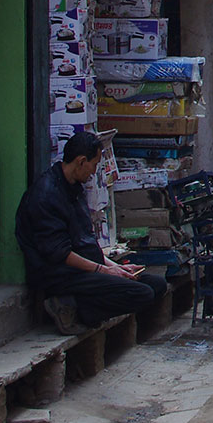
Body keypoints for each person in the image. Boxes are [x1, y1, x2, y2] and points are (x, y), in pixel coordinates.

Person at [16, 132, 166, 335]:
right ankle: (75, 308)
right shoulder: (46, 195)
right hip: (59, 273)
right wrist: (104, 271)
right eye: (94, 165)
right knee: (142, 294)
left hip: (86, 266)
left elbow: (84, 241)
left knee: (156, 284)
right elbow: (59, 254)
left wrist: (116, 267)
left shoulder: (74, 188)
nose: (94, 172)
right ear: (81, 161)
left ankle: (76, 304)